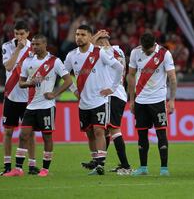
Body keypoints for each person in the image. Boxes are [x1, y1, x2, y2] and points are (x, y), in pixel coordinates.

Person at [3, 34, 72, 177]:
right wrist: (30, 83)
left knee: (47, 137)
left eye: (37, 44)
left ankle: (45, 169)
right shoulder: (28, 61)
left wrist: (55, 93)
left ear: (45, 45)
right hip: (31, 106)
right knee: (23, 136)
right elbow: (21, 83)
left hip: (47, 106)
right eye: (33, 44)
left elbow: (68, 80)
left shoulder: (55, 61)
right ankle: (18, 169)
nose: (34, 47)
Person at [64, 25, 124, 175]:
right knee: (89, 133)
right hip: (83, 102)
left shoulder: (100, 53)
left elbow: (118, 67)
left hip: (99, 100)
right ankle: (95, 160)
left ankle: (100, 165)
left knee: (99, 131)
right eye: (77, 34)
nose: (79, 37)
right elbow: (64, 74)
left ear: (89, 36)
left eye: (83, 35)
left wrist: (112, 87)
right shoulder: (71, 55)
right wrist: (74, 90)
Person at [81, 30, 132, 175]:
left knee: (114, 129)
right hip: (119, 93)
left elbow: (88, 49)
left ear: (101, 42)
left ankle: (125, 165)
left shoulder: (105, 51)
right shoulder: (118, 50)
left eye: (97, 41)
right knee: (106, 129)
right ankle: (98, 162)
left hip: (112, 93)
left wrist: (95, 38)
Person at [127, 32, 177, 176]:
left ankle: (164, 168)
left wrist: (172, 100)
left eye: (148, 50)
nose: (145, 52)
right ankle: (143, 168)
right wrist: (131, 100)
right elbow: (130, 75)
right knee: (142, 135)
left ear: (154, 44)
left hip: (158, 100)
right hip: (140, 101)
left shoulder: (164, 54)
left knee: (161, 133)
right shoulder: (136, 52)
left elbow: (172, 78)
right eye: (144, 49)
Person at [0, 20, 39, 175]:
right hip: (11, 95)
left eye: (22, 34)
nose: (19, 36)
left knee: (29, 133)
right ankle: (8, 165)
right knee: (8, 132)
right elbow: (8, 66)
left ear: (28, 33)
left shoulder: (34, 48)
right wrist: (17, 49)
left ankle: (31, 166)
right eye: (16, 33)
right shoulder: (8, 46)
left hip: (28, 97)